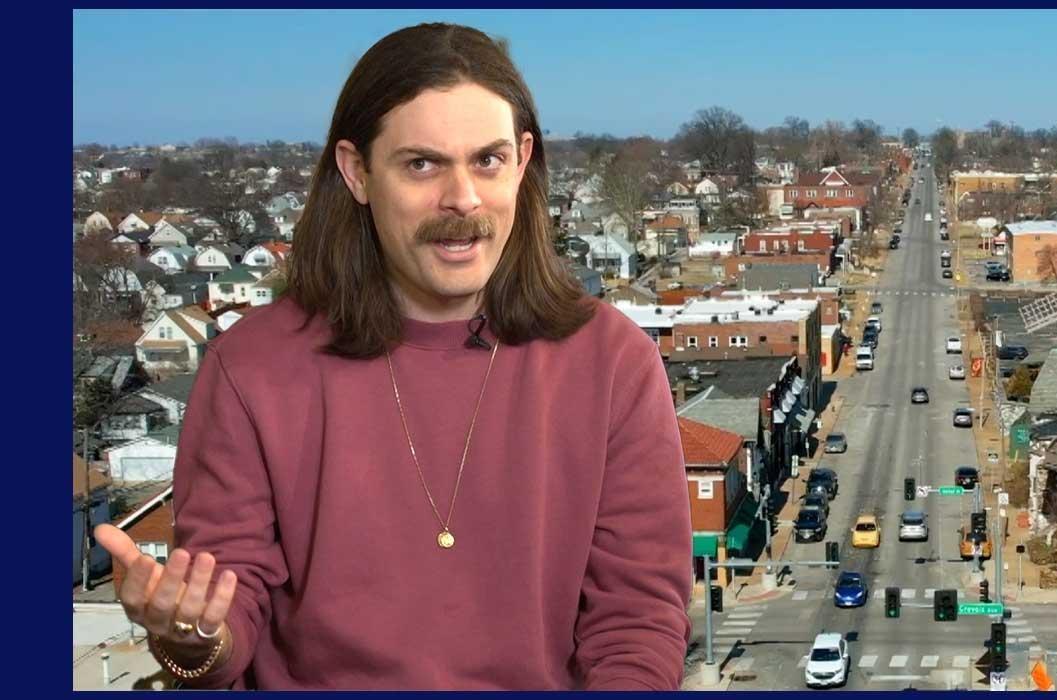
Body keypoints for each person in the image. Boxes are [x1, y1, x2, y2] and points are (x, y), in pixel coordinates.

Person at [91, 23, 691, 689]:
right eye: (422, 164)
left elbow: (637, 621)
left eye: (487, 160)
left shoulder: (612, 362)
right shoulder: (250, 368)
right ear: (358, 173)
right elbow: (218, 639)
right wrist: (191, 639)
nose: (462, 198)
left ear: (523, 161)